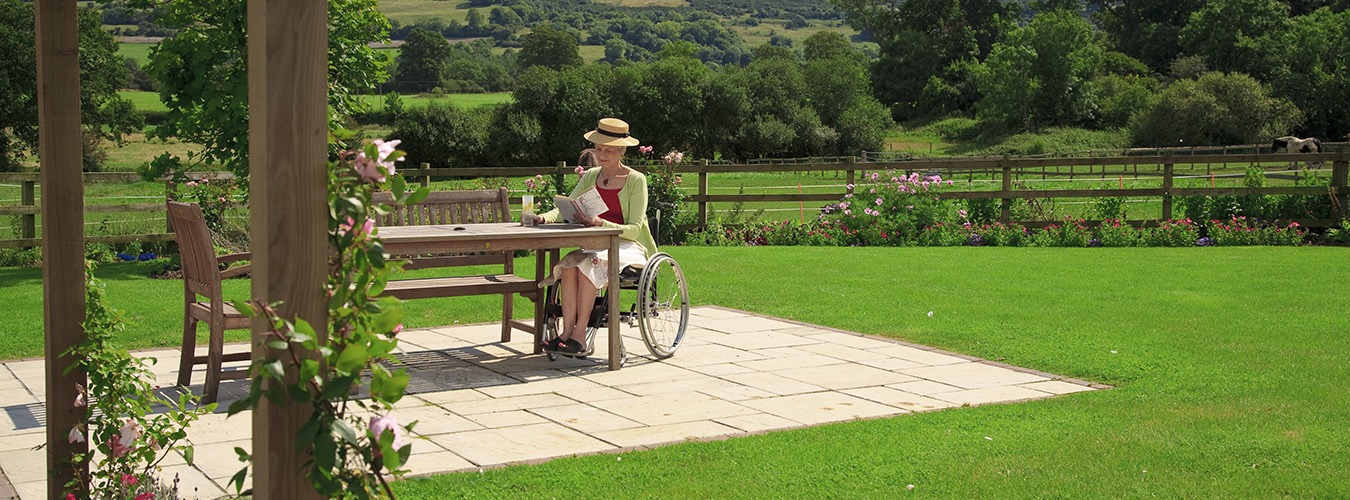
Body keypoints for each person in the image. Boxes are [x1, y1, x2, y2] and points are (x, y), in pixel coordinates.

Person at [531, 118, 658, 354]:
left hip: (627, 245)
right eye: (599, 148)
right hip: (597, 244)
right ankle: (567, 332)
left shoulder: (636, 180)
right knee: (569, 266)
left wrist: (600, 222)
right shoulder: (591, 176)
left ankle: (580, 335)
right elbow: (565, 207)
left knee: (588, 263)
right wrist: (542, 218)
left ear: (621, 151)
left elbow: (634, 229)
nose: (602, 154)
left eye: (609, 149)